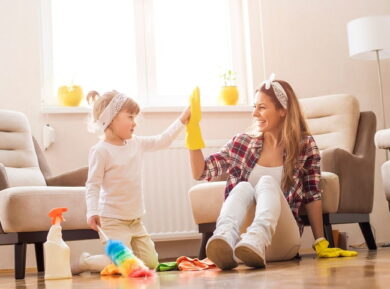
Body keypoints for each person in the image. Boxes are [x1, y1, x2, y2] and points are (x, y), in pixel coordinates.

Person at [187, 74, 357, 270]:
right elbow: (201, 172)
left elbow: (312, 195)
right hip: (242, 246)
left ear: (283, 110)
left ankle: (258, 238)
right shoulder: (242, 143)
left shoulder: (304, 145)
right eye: (254, 107)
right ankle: (224, 236)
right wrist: (193, 132)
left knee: (267, 182)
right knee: (242, 187)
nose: (254, 114)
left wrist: (321, 241)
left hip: (281, 241)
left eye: (262, 107)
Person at [72, 90, 190, 274]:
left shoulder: (136, 144)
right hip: (112, 220)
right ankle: (85, 261)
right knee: (123, 263)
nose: (135, 123)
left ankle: (108, 260)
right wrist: (92, 211)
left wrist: (182, 120)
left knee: (150, 263)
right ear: (110, 119)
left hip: (135, 220)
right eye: (130, 117)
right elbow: (93, 185)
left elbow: (162, 140)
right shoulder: (101, 151)